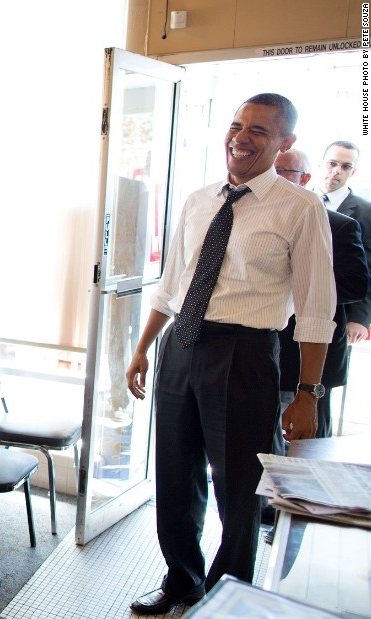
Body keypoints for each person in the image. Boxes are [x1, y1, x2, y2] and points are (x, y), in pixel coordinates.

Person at [124, 93, 336, 615]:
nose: (241, 137)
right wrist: (144, 348)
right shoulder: (199, 199)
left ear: (285, 143)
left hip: (244, 353)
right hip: (183, 343)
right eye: (238, 126)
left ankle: (228, 595)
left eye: (259, 131)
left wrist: (308, 393)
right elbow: (172, 284)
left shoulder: (301, 207)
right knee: (175, 474)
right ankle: (181, 581)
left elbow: (315, 306)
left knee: (239, 487)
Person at [276, 149, 369, 441]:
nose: (273, 179)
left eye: (283, 173)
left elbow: (357, 283)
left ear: (304, 178)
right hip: (261, 349)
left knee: (305, 441)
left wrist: (304, 287)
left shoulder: (340, 223)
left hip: (311, 348)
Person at [316, 140, 371, 345]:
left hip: (341, 310)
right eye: (332, 163)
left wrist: (360, 318)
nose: (337, 170)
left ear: (353, 172)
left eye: (345, 166)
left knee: (328, 375)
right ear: (321, 164)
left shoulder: (366, 212)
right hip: (293, 307)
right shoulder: (300, 201)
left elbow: (368, 268)